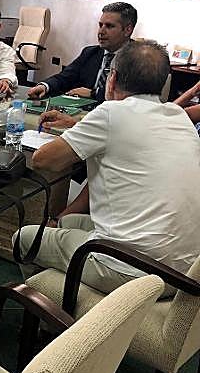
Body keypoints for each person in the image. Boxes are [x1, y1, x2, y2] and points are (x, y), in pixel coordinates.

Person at [14, 40, 200, 296]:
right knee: (67, 221)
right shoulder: (178, 117)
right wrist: (77, 128)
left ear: (111, 79)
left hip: (132, 271)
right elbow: (129, 136)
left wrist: (82, 131)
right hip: (185, 272)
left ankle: (51, 307)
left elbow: (43, 160)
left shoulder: (111, 112)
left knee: (23, 239)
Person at [28, 2, 137, 103]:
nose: (101, 32)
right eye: (100, 25)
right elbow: (65, 77)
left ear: (128, 30)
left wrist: (93, 93)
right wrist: (45, 86)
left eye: (109, 26)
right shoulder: (90, 53)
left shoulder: (139, 58)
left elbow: (132, 95)